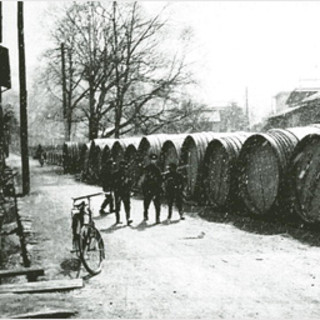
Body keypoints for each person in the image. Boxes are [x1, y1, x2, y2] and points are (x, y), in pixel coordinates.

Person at [141, 153, 162, 224]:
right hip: (148, 189)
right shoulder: (146, 168)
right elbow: (143, 180)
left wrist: (158, 189)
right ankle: (145, 215)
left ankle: (157, 218)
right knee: (146, 204)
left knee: (157, 205)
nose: (153, 161)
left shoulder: (157, 170)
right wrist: (144, 190)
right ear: (150, 160)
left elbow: (160, 181)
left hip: (155, 189)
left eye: (154, 160)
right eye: (152, 159)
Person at [112, 159, 133, 226]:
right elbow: (114, 184)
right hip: (119, 192)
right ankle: (118, 219)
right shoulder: (116, 174)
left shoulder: (127, 174)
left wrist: (130, 189)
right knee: (118, 206)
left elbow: (130, 183)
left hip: (126, 192)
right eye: (122, 165)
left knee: (127, 206)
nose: (123, 167)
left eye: (124, 165)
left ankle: (128, 219)